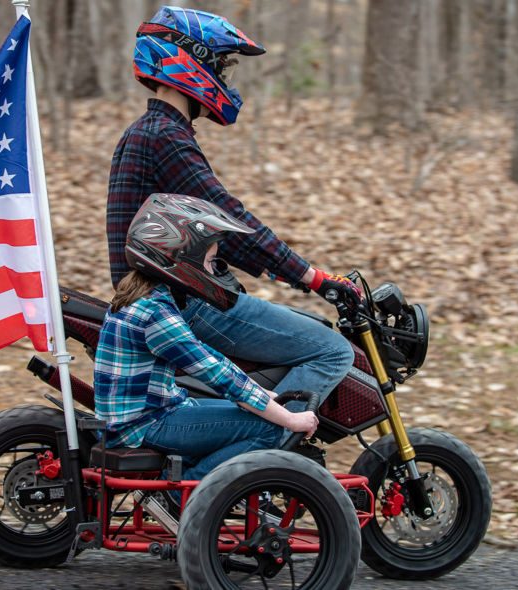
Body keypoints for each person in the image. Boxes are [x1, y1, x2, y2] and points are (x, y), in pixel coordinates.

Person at [107, 6, 358, 414]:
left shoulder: (149, 133)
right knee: (331, 350)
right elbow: (234, 224)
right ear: (189, 63)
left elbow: (222, 234)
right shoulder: (166, 139)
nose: (226, 81)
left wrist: (289, 273)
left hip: (163, 298)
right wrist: (314, 279)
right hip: (187, 305)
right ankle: (265, 450)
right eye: (222, 68)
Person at [94, 194, 320, 532]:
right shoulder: (156, 313)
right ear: (179, 258)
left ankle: (214, 486)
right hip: (143, 426)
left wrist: (266, 396)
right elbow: (216, 373)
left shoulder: (143, 297)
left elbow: (214, 364)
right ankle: (186, 497)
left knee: (247, 411)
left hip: (139, 417)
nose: (215, 271)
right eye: (211, 261)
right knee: (269, 427)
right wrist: (288, 418)